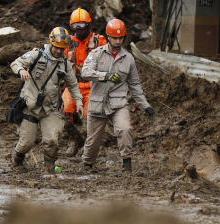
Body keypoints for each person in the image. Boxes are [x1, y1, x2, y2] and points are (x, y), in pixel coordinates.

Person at [81, 19, 155, 172]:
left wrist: (145, 106)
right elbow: (85, 73)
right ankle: (87, 164)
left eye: (120, 38)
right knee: (93, 138)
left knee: (125, 129)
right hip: (98, 102)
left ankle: (127, 163)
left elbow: (135, 85)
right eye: (114, 37)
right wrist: (105, 75)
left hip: (118, 103)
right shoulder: (96, 54)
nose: (118, 40)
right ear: (108, 37)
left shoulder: (128, 59)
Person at [10, 27, 84, 173]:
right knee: (26, 142)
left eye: (62, 48)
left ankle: (49, 168)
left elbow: (73, 85)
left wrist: (79, 102)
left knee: (51, 140)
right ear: (51, 43)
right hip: (30, 106)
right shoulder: (37, 54)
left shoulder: (65, 64)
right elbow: (15, 63)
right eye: (57, 47)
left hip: (50, 107)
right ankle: (17, 161)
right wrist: (21, 70)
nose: (59, 51)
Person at [62, 8, 107, 157]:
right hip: (73, 85)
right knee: (62, 115)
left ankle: (91, 151)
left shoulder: (99, 41)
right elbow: (61, 64)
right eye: (75, 26)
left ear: (88, 25)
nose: (78, 29)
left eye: (81, 25)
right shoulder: (68, 42)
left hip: (92, 86)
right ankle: (76, 140)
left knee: (90, 122)